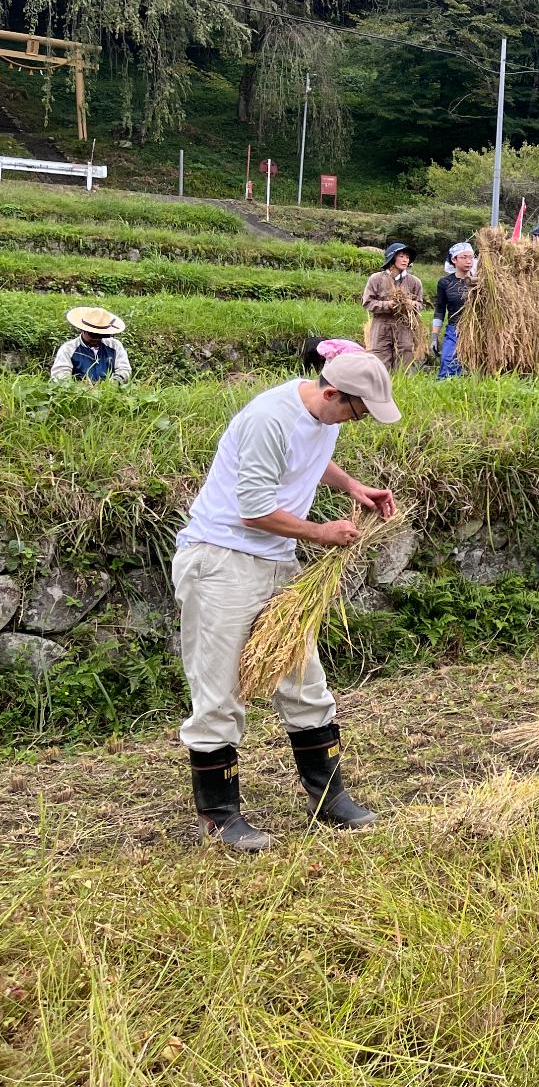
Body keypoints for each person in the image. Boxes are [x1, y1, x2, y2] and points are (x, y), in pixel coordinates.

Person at [174, 352, 402, 852]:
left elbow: (311, 457)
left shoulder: (323, 414)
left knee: (303, 680)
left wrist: (352, 486)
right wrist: (319, 531)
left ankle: (329, 798)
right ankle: (219, 816)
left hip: (276, 562)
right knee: (219, 689)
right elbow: (253, 510)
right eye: (356, 411)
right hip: (222, 563)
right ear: (331, 393)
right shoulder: (265, 419)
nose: (355, 421)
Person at [362, 242, 425, 371]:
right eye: (401, 256)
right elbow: (368, 302)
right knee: (380, 360)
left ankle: (403, 388)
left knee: (405, 359)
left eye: (407, 257)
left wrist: (411, 304)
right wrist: (388, 305)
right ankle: (380, 388)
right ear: (392, 257)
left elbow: (420, 304)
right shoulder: (376, 279)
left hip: (405, 326)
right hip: (381, 325)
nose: (405, 260)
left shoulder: (414, 282)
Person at [49, 306, 131, 384]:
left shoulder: (115, 346)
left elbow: (124, 370)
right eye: (93, 335)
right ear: (82, 330)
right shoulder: (69, 349)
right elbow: (59, 375)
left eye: (101, 335)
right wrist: (78, 387)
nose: (97, 339)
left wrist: (114, 383)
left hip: (110, 394)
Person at [432, 242, 476, 379]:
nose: (469, 261)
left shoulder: (482, 281)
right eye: (464, 257)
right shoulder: (445, 283)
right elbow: (440, 310)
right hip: (454, 330)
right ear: (454, 260)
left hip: (477, 329)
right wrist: (434, 336)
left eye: (471, 257)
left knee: (473, 367)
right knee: (448, 362)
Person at [299, 337, 365, 375]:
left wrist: (325, 372)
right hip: (358, 352)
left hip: (352, 354)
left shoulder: (321, 347)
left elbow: (331, 357)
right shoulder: (330, 343)